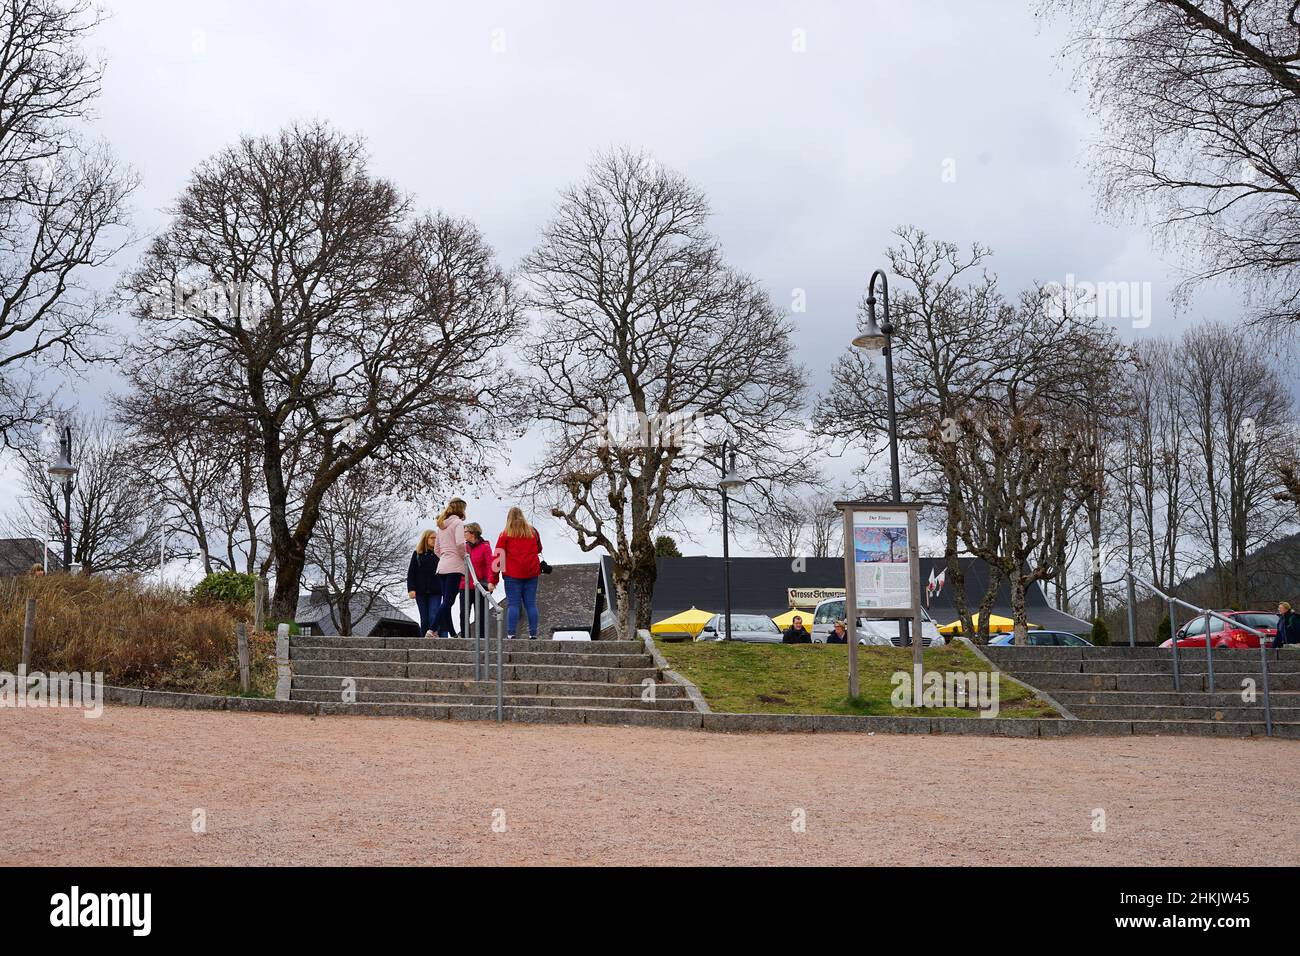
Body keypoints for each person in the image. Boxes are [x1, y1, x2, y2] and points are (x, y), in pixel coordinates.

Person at [495, 506, 542, 639]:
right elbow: (539, 548)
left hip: (512, 574)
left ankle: (511, 633)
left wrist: (493, 579)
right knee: (531, 604)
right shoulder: (533, 532)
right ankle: (533, 634)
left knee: (513, 604)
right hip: (531, 572)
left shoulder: (504, 534)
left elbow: (498, 556)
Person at [432, 497, 468, 639]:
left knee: (446, 603)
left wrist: (445, 557)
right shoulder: (458, 523)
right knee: (448, 602)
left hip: (442, 567)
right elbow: (460, 544)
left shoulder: (441, 526)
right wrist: (464, 556)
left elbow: (436, 549)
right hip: (454, 567)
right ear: (461, 509)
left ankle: (452, 633)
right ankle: (432, 628)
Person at [461, 522, 498, 635]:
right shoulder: (463, 547)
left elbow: (489, 566)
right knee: (463, 613)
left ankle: (481, 640)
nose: (463, 534)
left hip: (481, 586)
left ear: (473, 533)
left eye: (465, 531)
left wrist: (491, 582)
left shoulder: (485, 547)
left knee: (481, 615)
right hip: (464, 585)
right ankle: (465, 637)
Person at [406, 530, 441, 639]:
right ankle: (423, 641)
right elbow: (411, 572)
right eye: (432, 538)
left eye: (436, 538)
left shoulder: (440, 554)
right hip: (420, 591)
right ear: (426, 539)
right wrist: (411, 589)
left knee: (433, 615)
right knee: (424, 618)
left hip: (436, 590)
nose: (435, 540)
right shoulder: (417, 554)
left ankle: (433, 637)